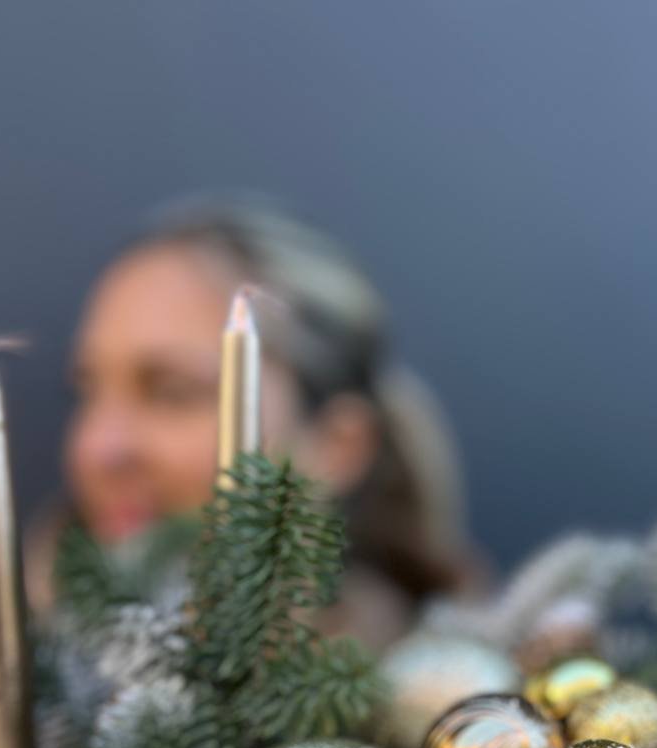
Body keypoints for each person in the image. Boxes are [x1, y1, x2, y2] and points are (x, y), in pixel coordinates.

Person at [39, 195, 481, 650]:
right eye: (87, 392)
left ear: (338, 447)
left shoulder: (452, 688)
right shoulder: (16, 670)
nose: (97, 449)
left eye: (172, 393)